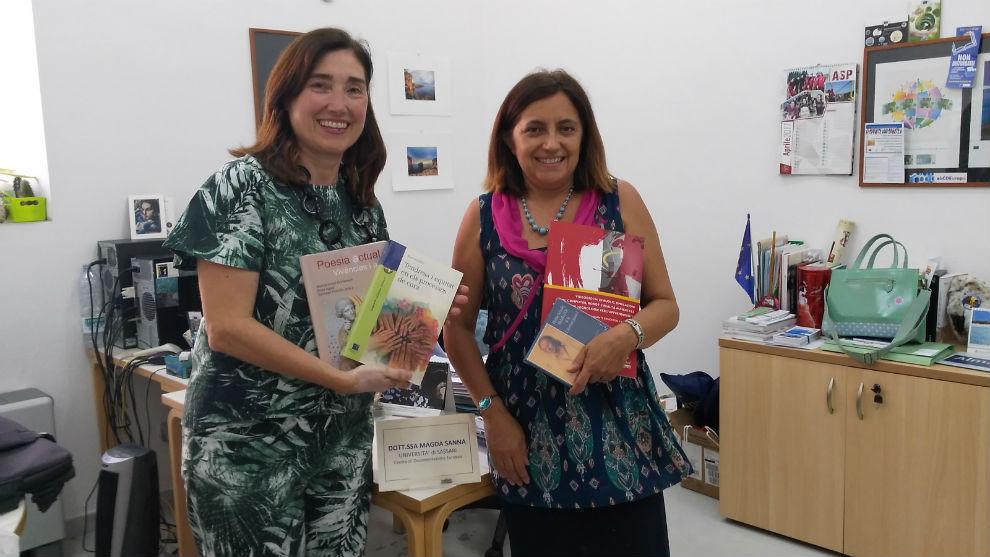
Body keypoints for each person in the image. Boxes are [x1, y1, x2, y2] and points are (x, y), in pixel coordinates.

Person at [163, 28, 465, 556]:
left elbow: (363, 317)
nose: (338, 104)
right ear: (286, 97)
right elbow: (227, 328)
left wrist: (424, 309)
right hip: (247, 446)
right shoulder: (239, 186)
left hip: (340, 439)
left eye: (354, 88)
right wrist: (340, 381)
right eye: (320, 85)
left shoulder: (360, 201)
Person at [444, 69, 692, 557]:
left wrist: (626, 335)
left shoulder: (619, 201)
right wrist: (493, 415)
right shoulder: (483, 216)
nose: (551, 143)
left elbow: (666, 306)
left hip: (619, 428)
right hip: (525, 436)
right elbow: (456, 329)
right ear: (509, 138)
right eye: (534, 128)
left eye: (566, 128)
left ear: (584, 136)